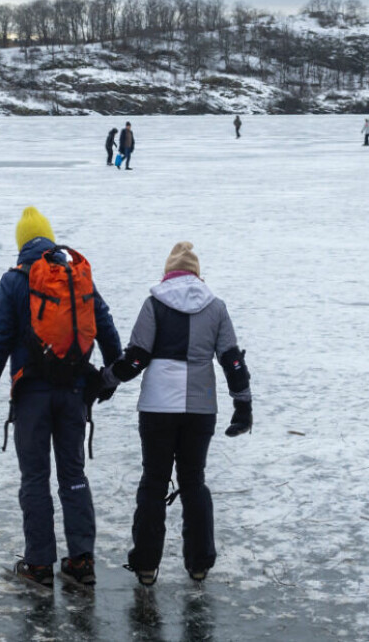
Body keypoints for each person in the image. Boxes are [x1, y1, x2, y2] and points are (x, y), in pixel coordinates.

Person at [0, 207, 122, 586]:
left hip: (31, 395)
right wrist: (109, 378)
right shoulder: (75, 276)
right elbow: (105, 326)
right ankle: (81, 562)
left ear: (21, 243)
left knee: (36, 478)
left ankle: (39, 564)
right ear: (50, 238)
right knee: (73, 475)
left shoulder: (13, 282)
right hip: (74, 392)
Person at [100, 242, 252, 586]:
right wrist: (243, 405)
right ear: (197, 274)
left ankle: (146, 565)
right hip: (200, 408)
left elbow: (136, 357)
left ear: (168, 273)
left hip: (157, 407)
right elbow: (232, 360)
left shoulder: (154, 303)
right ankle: (199, 563)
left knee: (153, 482)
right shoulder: (216, 307)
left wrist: (105, 380)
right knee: (193, 481)